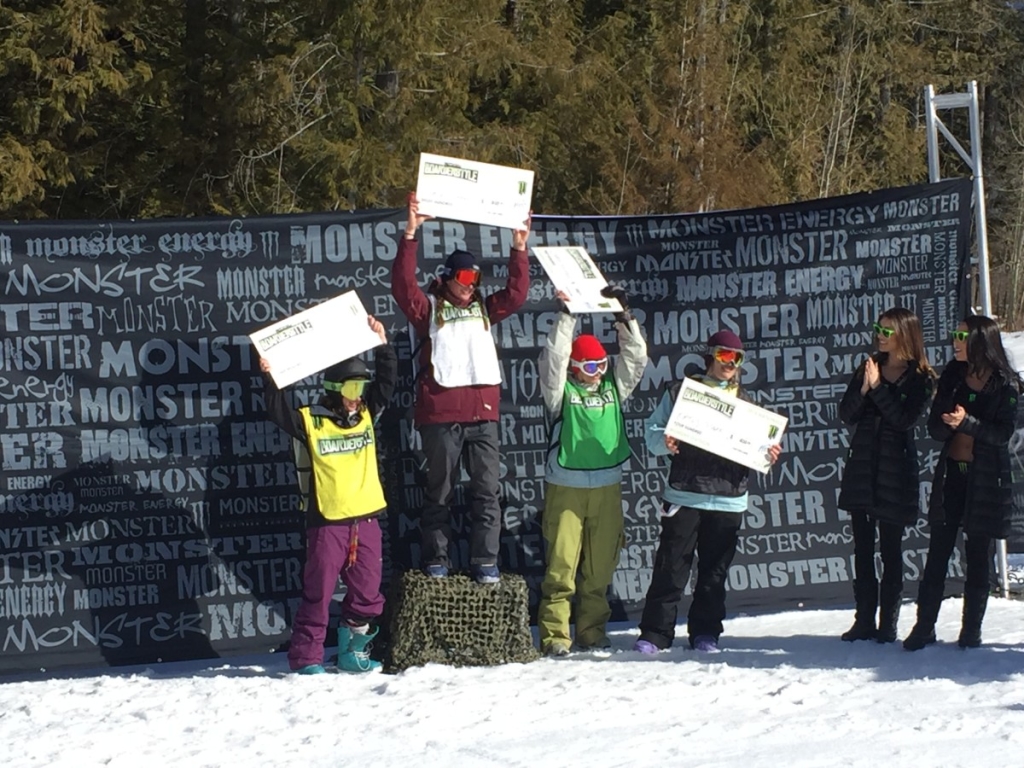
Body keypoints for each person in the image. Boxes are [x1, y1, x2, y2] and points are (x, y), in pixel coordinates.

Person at [392, 193, 531, 584]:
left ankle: (485, 560)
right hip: (440, 415)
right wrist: (411, 234)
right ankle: (437, 558)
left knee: (487, 492)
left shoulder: (485, 308)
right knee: (440, 492)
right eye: (465, 278)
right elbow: (404, 288)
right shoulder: (430, 309)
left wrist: (519, 247)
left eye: (476, 279)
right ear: (449, 278)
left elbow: (517, 294)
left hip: (483, 415)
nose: (471, 285)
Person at [260, 316, 396, 674]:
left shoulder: (366, 414)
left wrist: (382, 345)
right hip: (327, 522)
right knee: (319, 594)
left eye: (360, 390)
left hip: (365, 518)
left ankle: (354, 652)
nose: (357, 398)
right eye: (351, 390)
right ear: (335, 389)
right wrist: (270, 376)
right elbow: (276, 411)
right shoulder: (312, 419)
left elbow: (387, 385)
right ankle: (307, 658)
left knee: (368, 594)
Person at [633, 330, 781, 654]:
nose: (730, 363)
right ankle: (655, 633)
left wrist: (766, 454)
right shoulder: (681, 392)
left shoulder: (749, 406)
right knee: (671, 567)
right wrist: (665, 442)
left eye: (737, 358)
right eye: (725, 355)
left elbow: (760, 448)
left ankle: (705, 633)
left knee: (714, 573)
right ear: (711, 355)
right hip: (685, 493)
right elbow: (652, 431)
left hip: (729, 498)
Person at [536, 287, 648, 657]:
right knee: (562, 564)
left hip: (606, 486)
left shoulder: (614, 388)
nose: (597, 373)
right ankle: (555, 634)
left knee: (600, 566)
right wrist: (567, 315)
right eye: (588, 366)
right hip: (566, 486)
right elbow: (553, 358)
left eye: (601, 365)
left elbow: (636, 358)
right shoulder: (560, 392)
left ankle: (591, 631)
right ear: (574, 367)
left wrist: (624, 316)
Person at [903, 315, 1021, 651]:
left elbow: (1001, 434)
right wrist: (948, 424)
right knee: (938, 551)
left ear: (982, 341)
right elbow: (935, 427)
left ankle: (971, 631)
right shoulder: (953, 375)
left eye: (961, 336)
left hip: (986, 479)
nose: (955, 341)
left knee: (978, 555)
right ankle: (924, 626)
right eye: (955, 334)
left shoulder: (1005, 383)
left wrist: (966, 422)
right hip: (953, 472)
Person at [837, 308, 935, 643]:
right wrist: (865, 388)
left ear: (905, 335)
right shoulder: (869, 366)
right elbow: (846, 414)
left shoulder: (922, 377)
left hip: (896, 473)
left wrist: (878, 389)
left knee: (891, 550)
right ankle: (863, 619)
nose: (881, 334)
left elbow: (904, 420)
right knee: (862, 549)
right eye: (879, 328)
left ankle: (888, 624)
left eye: (888, 330)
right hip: (864, 468)